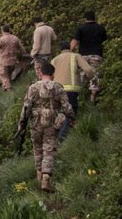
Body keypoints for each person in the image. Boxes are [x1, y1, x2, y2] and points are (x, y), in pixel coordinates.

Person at [18, 62, 75, 192]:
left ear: (41, 73)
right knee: (49, 150)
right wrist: (72, 118)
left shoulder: (32, 87)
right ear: (53, 74)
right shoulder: (58, 88)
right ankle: (46, 179)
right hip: (51, 123)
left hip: (35, 123)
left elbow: (26, 107)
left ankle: (39, 177)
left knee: (37, 149)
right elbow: (67, 107)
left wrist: (21, 124)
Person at [51, 41, 94, 141]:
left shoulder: (54, 60)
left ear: (60, 50)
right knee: (70, 114)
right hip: (71, 91)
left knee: (59, 115)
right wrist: (93, 78)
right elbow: (88, 70)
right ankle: (61, 138)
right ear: (70, 48)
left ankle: (55, 137)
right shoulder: (75, 56)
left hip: (56, 91)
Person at [70, 10, 107, 104]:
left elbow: (74, 42)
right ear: (94, 17)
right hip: (96, 55)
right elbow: (105, 42)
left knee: (81, 75)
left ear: (85, 18)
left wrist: (68, 52)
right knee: (95, 75)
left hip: (83, 56)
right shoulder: (100, 28)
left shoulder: (81, 28)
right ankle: (93, 95)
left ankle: (80, 95)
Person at [0, 25, 26, 91]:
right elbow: (22, 48)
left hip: (4, 61)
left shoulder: (2, 39)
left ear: (2, 30)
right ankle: (5, 89)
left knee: (2, 74)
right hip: (13, 60)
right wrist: (24, 54)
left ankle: (9, 88)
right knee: (8, 75)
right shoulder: (15, 38)